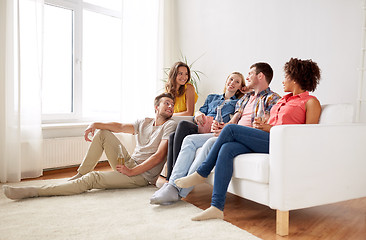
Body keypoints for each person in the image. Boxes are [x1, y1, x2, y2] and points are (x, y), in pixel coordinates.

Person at [175, 58, 322, 221]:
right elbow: (272, 120)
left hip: (281, 144)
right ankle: (217, 207)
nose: (283, 80)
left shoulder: (310, 102)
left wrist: (270, 128)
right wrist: (263, 124)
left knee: (230, 129)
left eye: (286, 76)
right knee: (227, 149)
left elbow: (308, 135)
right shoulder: (283, 100)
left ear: (295, 78)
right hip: (267, 138)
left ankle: (202, 172)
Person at [3, 93, 177, 200]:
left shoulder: (170, 125)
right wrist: (95, 123)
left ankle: (35, 191)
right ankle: (80, 174)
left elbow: (159, 157)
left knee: (94, 179)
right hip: (130, 162)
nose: (170, 107)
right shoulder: (144, 122)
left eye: (172, 105)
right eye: (166, 103)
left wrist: (131, 172)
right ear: (156, 107)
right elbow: (120, 127)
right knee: (103, 133)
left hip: (141, 176)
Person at [151, 63, 281, 205]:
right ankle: (171, 185)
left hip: (247, 138)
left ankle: (178, 190)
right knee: (189, 140)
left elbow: (270, 120)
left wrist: (263, 119)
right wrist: (223, 127)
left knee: (210, 143)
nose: (247, 77)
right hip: (231, 132)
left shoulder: (272, 98)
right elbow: (234, 121)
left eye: (250, 74)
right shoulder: (245, 98)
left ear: (260, 75)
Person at [165, 72, 247, 181]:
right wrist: (198, 113)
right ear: (226, 80)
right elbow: (199, 113)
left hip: (214, 130)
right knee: (173, 135)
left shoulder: (239, 102)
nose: (232, 83)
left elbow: (237, 117)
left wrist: (247, 90)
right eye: (231, 79)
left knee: (183, 125)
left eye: (237, 82)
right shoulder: (212, 97)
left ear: (240, 87)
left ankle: (173, 177)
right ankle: (170, 176)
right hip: (201, 126)